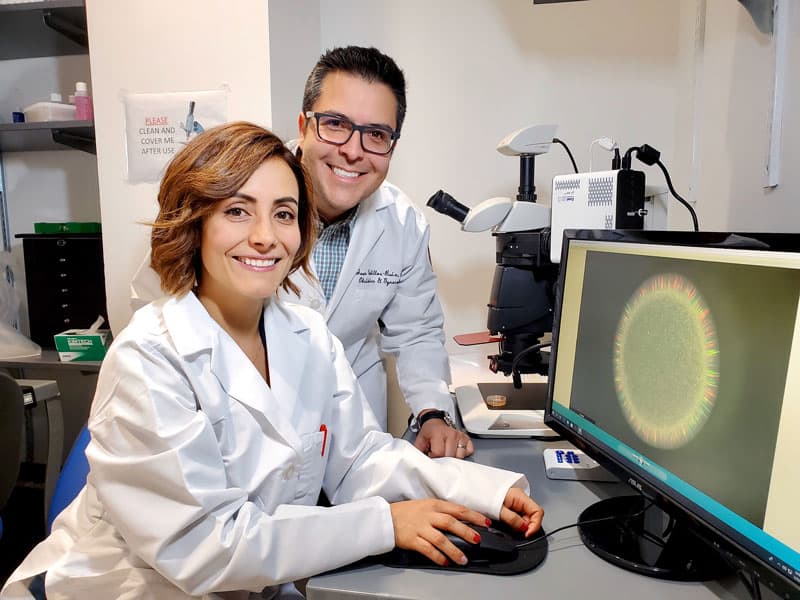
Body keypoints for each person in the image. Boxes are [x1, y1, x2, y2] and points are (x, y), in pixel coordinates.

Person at [2, 122, 543, 600]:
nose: (265, 236)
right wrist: (385, 523)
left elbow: (358, 459)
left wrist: (486, 492)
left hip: (252, 581)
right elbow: (206, 548)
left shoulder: (304, 333)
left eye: (283, 213)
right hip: (132, 586)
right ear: (195, 223)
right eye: (237, 210)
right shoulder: (151, 357)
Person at [132, 46, 469, 459]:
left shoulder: (402, 223)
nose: (353, 150)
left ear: (392, 147)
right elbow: (166, 309)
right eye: (335, 124)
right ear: (303, 126)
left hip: (350, 424)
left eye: (376, 134)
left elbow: (417, 331)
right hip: (233, 423)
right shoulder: (233, 195)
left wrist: (433, 413)